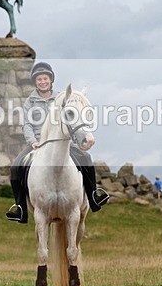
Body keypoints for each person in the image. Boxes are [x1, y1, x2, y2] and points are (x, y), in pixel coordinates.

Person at [6, 62, 110, 223]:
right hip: (38, 143)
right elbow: (26, 124)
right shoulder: (30, 102)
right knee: (16, 167)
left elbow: (73, 118)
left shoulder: (62, 97)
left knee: (86, 159)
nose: (43, 82)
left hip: (62, 141)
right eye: (39, 79)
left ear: (51, 80)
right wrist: (33, 141)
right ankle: (20, 208)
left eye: (45, 78)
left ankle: (93, 196)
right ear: (35, 82)